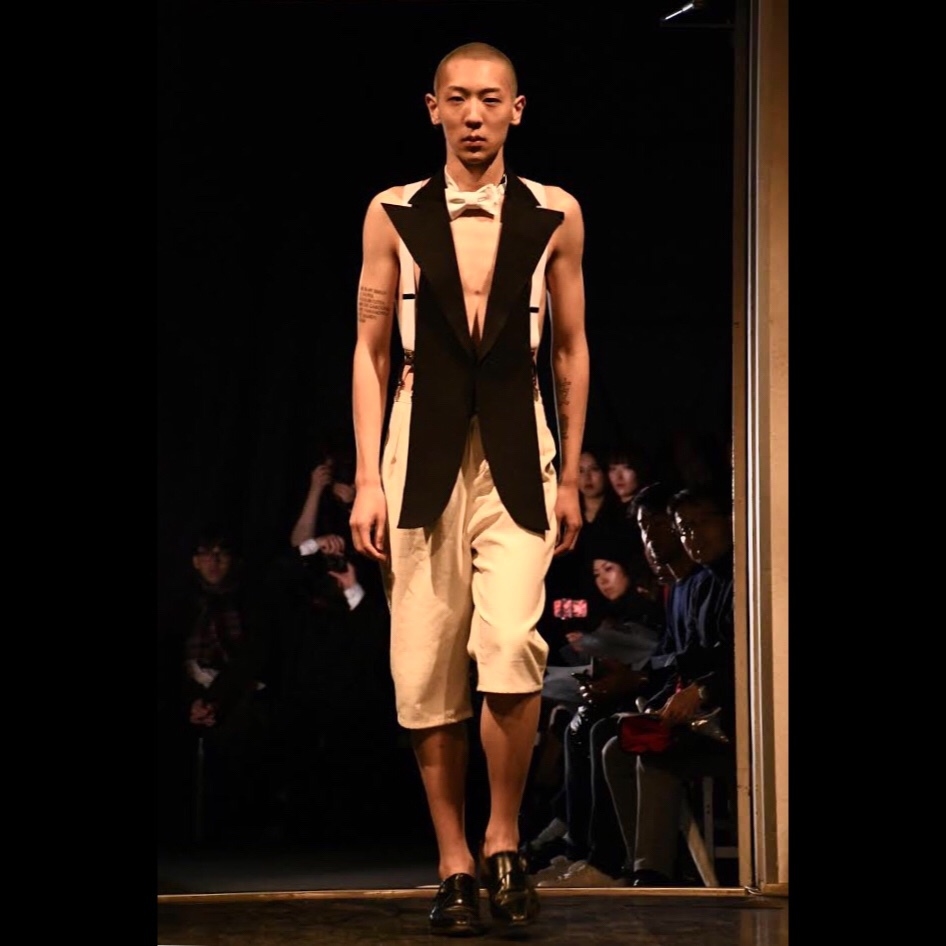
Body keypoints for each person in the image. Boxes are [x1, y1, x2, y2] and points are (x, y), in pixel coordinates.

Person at [348, 41, 589, 935]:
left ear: (516, 109)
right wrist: (366, 476)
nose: (475, 114)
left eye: (491, 98)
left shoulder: (555, 211)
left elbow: (570, 346)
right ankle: (452, 857)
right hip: (420, 440)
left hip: (519, 444)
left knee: (512, 641)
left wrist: (571, 470)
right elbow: (372, 348)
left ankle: (502, 836)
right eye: (459, 98)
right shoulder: (393, 210)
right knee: (424, 656)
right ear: (434, 108)